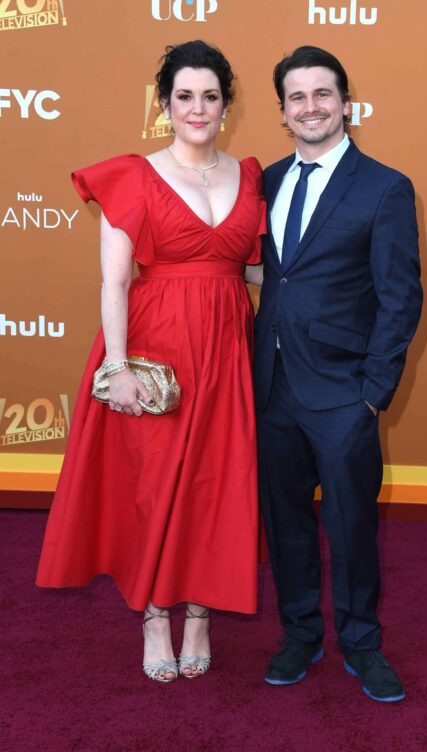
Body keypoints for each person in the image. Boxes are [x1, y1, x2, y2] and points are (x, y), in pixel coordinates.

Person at [36, 40, 265, 683]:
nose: (198, 108)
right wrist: (118, 368)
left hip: (227, 348)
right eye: (184, 96)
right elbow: (114, 282)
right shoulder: (132, 174)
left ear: (227, 104)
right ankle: (154, 616)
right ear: (165, 105)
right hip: (155, 348)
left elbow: (249, 264)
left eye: (210, 96)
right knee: (157, 484)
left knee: (217, 481)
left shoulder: (250, 176)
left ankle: (200, 612)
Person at [254, 46, 422, 702]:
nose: (311, 107)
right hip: (271, 389)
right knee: (286, 521)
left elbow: (400, 296)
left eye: (323, 94)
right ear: (283, 111)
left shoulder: (385, 186)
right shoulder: (263, 181)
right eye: (297, 98)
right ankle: (299, 632)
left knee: (351, 526)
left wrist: (373, 394)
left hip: (345, 394)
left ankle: (360, 641)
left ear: (345, 103)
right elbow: (271, 275)